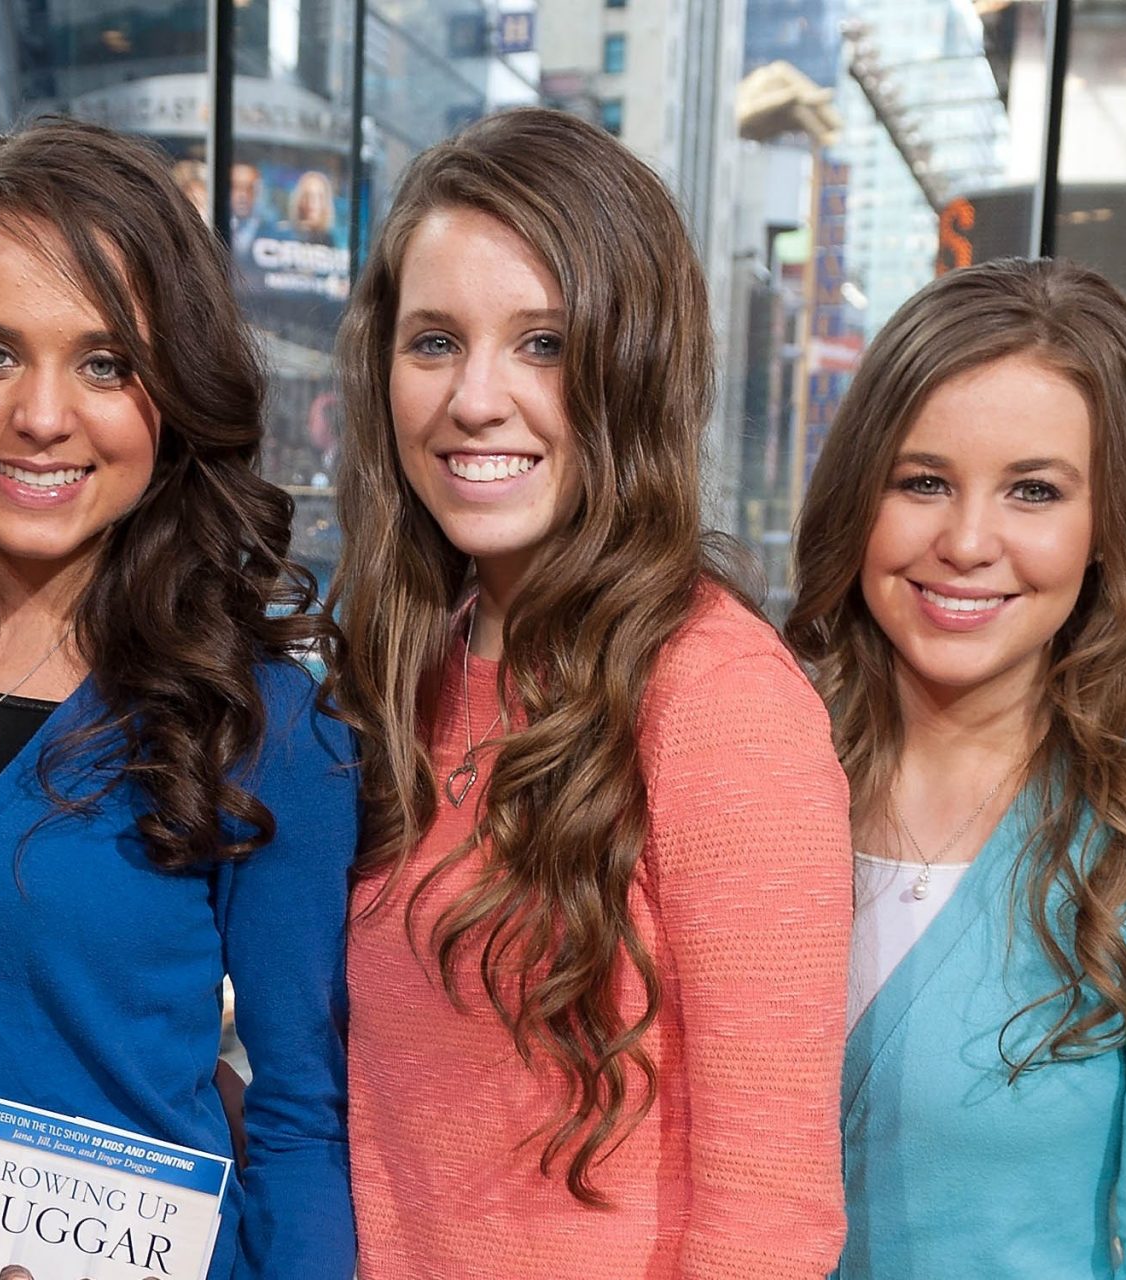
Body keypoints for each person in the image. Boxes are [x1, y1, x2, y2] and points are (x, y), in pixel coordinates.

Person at [0, 118, 356, 1280]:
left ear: (176, 396)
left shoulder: (261, 722)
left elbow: (302, 1114)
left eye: (106, 363)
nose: (43, 415)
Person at [330, 106, 851, 1278]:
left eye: (543, 343)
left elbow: (770, 1214)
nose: (475, 397)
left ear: (633, 364)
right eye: (433, 341)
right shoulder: (408, 669)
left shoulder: (719, 697)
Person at [785, 257, 1126, 1276]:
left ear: (1107, 528)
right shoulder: (750, 780)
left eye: (1033, 490)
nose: (967, 540)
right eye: (922, 481)